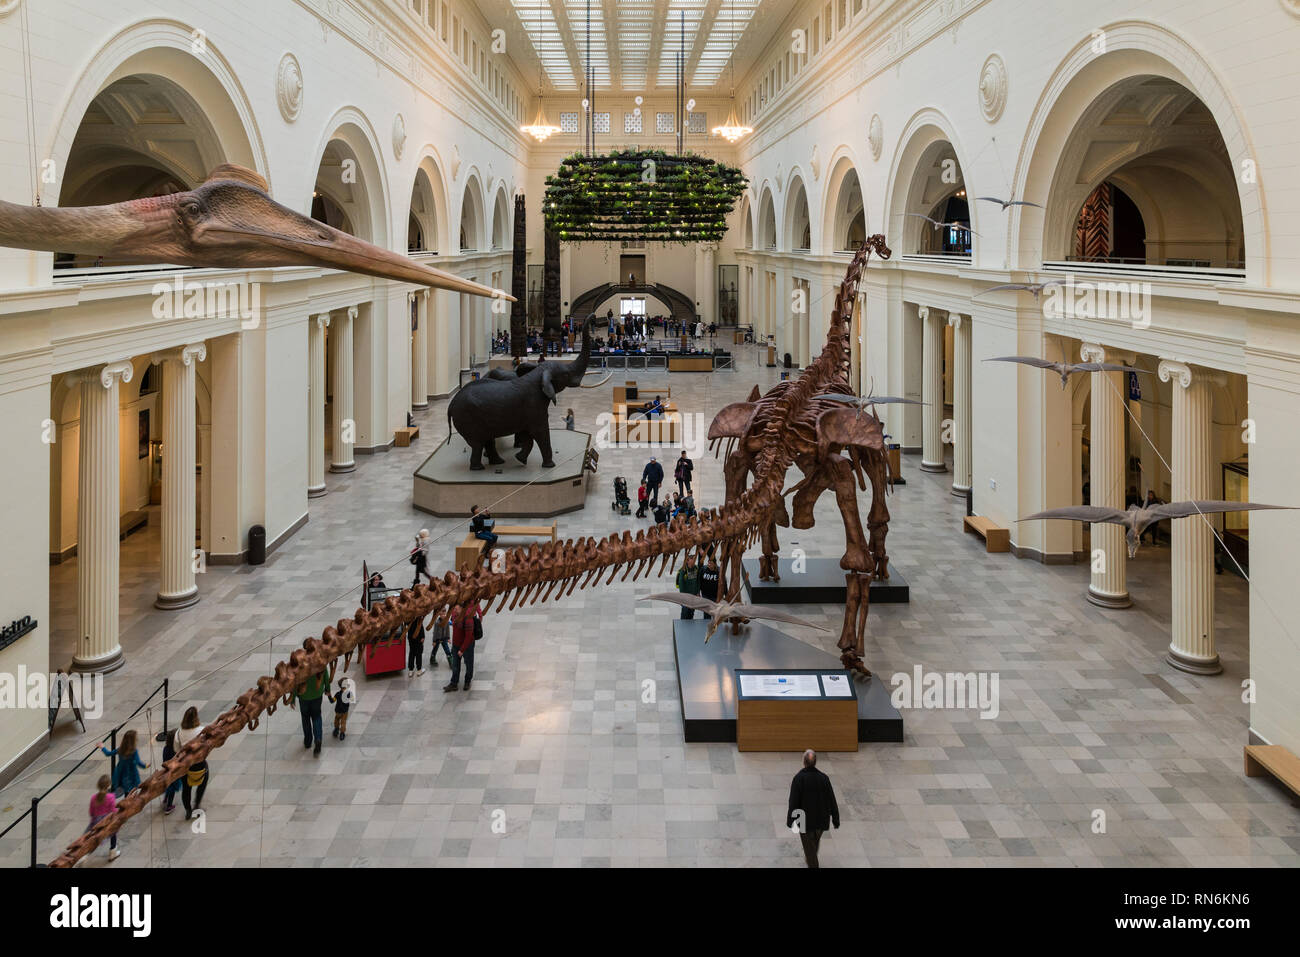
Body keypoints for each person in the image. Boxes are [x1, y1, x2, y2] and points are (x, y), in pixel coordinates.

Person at [786, 749, 840, 869]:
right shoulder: (824, 778)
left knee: (810, 849)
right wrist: (835, 819)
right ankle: (811, 861)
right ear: (815, 762)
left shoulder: (799, 779)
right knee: (812, 846)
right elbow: (832, 799)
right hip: (821, 819)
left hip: (805, 821)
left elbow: (793, 801)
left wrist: (790, 820)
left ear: (803, 762)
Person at [290, 664, 333, 758]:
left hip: (303, 697)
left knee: (305, 718)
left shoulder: (299, 665)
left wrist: (292, 699)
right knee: (316, 716)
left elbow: (294, 682)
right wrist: (327, 689)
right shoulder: (319, 662)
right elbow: (325, 676)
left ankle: (308, 741)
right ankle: (318, 739)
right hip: (317, 695)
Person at [176, 707, 209, 820]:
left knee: (186, 788)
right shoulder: (201, 730)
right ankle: (197, 805)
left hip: (185, 765)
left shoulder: (179, 732)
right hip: (199, 763)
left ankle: (188, 810)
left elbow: (176, 749)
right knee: (202, 784)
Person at [101, 728, 148, 797]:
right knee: (130, 792)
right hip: (131, 775)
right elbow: (138, 763)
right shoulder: (134, 751)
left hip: (121, 774)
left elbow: (108, 753)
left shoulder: (120, 749)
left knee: (124, 790)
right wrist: (145, 766)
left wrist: (102, 747)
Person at [444, 601, 479, 692]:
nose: (454, 610)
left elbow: (468, 637)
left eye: (456, 609)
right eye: (454, 609)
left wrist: (462, 650)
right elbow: (453, 622)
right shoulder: (455, 614)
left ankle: (467, 681)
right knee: (455, 665)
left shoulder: (468, 618)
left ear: (461, 608)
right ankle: (454, 683)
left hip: (467, 646)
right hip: (456, 645)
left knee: (468, 664)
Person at [88, 774, 120, 862]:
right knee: (113, 832)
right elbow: (113, 811)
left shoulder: (93, 798)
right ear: (108, 785)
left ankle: (86, 854)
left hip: (96, 822)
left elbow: (91, 812)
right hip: (107, 821)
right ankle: (113, 851)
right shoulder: (111, 797)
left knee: (92, 837)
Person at [675, 551, 701, 619]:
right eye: (692, 558)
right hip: (685, 597)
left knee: (691, 613)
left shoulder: (696, 568)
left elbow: (698, 581)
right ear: (687, 560)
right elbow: (681, 585)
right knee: (685, 613)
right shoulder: (683, 571)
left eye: (694, 558)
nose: (694, 560)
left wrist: (698, 592)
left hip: (693, 596)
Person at [161, 729, 182, 814]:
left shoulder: (165, 748)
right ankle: (169, 806)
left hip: (166, 771)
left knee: (168, 786)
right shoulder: (176, 750)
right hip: (174, 772)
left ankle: (165, 799)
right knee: (172, 789)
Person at [329, 676, 354, 741]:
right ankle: (339, 731)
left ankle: (339, 731)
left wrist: (329, 696)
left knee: (340, 721)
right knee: (340, 721)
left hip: (341, 711)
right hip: (341, 711)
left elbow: (332, 701)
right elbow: (332, 701)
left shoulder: (339, 694)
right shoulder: (347, 693)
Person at [699, 551, 720, 618]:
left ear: (715, 564)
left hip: (715, 596)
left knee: (715, 613)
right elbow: (699, 581)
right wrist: (698, 592)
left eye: (711, 563)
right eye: (708, 563)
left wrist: (724, 594)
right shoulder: (703, 569)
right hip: (705, 595)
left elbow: (723, 583)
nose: (709, 565)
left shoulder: (719, 571)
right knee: (706, 613)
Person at [406, 613, 426, 677]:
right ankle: (419, 670)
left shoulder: (409, 614)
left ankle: (411, 670)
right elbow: (420, 625)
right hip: (418, 636)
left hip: (411, 636)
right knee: (418, 653)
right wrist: (422, 636)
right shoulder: (418, 613)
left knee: (412, 652)